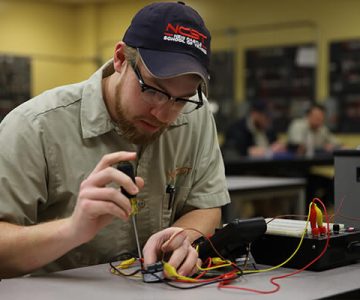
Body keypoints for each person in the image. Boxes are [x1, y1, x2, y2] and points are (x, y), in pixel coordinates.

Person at [0, 2, 230, 278]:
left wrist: (183, 237)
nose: (164, 114)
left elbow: (205, 205)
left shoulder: (197, 115)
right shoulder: (34, 127)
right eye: (153, 90)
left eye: (181, 99)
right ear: (120, 59)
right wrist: (72, 229)